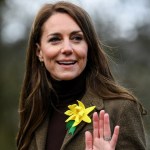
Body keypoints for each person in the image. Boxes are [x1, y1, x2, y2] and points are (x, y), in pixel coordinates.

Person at [16, 1, 147, 150]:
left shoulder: (121, 108)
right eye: (55, 39)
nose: (67, 48)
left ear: (88, 46)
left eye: (77, 38)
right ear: (39, 51)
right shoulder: (33, 112)